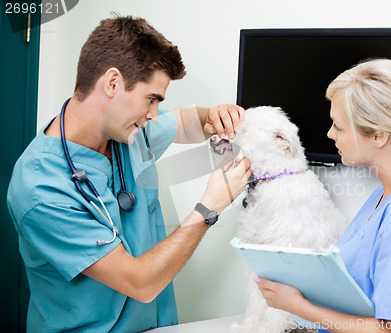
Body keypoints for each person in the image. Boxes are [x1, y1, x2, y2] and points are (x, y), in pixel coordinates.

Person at [7, 15, 251, 332]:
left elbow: (183, 122)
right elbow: (140, 284)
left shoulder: (125, 131)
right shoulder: (41, 188)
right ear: (112, 83)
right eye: (151, 99)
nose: (154, 115)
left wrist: (212, 116)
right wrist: (208, 209)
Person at [256, 59, 391, 333]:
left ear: (379, 135)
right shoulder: (386, 196)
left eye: (338, 126)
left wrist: (300, 307)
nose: (329, 134)